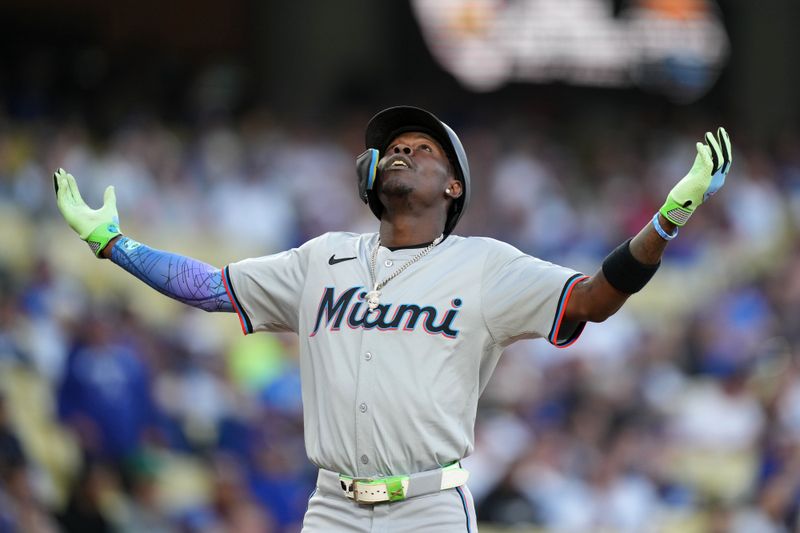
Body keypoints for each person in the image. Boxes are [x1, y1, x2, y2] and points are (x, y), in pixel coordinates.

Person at [54, 106, 732, 532]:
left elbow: (590, 299)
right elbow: (210, 288)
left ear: (453, 187)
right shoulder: (320, 259)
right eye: (396, 146)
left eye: (423, 149)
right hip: (331, 504)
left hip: (429, 506)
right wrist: (116, 244)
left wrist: (665, 221)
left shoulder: (485, 265)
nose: (403, 151)